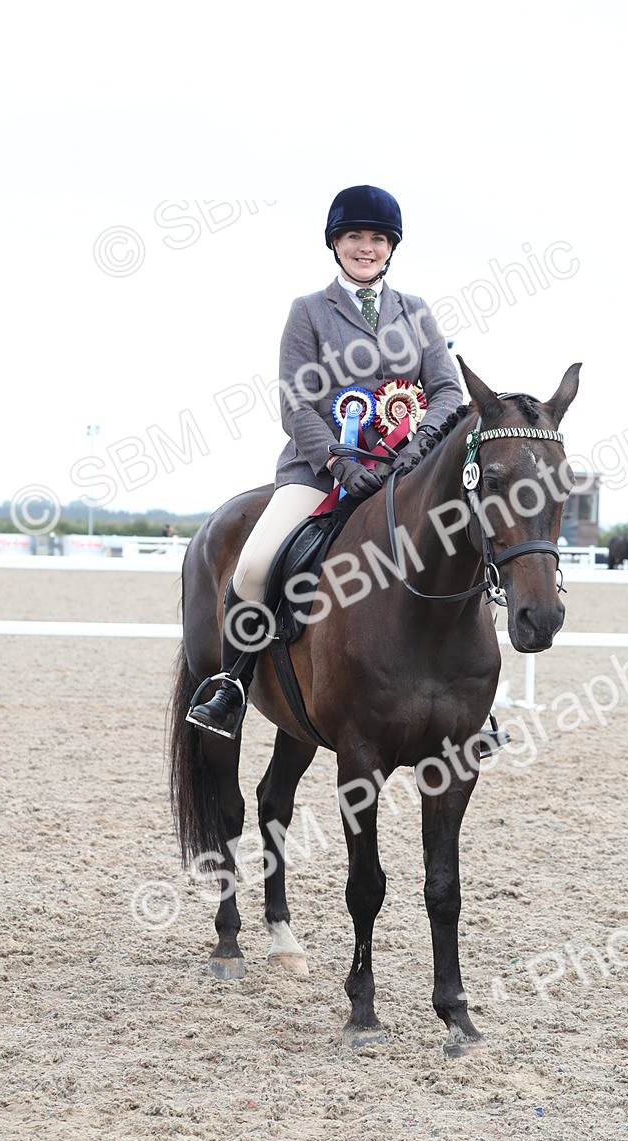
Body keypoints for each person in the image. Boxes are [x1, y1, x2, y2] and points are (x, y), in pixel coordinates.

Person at [189, 185, 470, 737]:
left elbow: (446, 390)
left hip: (405, 475)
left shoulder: (416, 313)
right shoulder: (310, 312)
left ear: (391, 247)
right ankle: (233, 685)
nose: (365, 247)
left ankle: (469, 697)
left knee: (463, 548)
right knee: (251, 566)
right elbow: (295, 399)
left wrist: (412, 451)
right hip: (319, 476)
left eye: (376, 239)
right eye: (353, 237)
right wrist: (341, 462)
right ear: (335, 243)